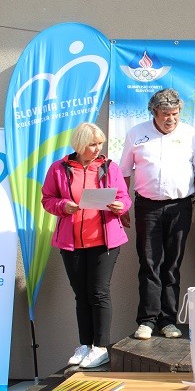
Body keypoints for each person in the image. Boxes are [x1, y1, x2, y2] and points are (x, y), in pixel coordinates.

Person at [120, 88, 195, 340]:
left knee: (172, 265)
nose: (171, 119)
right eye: (165, 114)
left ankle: (168, 320)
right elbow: (123, 173)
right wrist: (123, 205)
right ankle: (147, 321)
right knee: (149, 264)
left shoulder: (190, 134)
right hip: (147, 207)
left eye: (175, 113)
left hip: (180, 207)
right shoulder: (136, 133)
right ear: (154, 112)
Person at [42, 123, 131, 368]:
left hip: (104, 241)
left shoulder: (109, 167)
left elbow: (123, 197)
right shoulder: (58, 168)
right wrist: (63, 206)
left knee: (98, 292)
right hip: (72, 242)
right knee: (81, 294)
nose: (97, 148)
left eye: (100, 143)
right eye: (92, 144)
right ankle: (85, 345)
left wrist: (120, 206)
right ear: (80, 144)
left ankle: (101, 347)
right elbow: (48, 199)